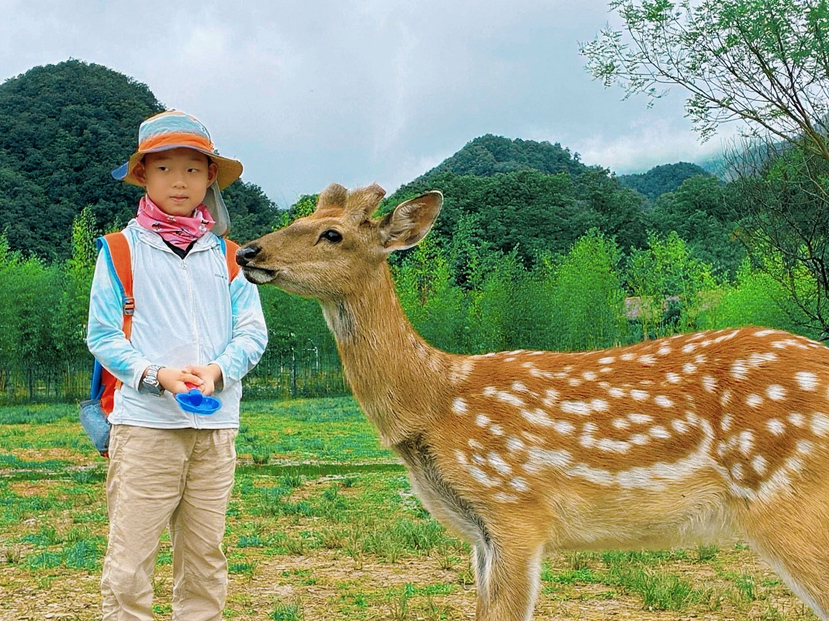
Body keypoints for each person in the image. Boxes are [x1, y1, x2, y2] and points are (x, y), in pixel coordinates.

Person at [86, 110, 268, 621]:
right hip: (146, 427)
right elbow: (102, 334)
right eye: (164, 168)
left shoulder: (230, 257)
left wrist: (216, 372)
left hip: (215, 426)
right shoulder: (120, 251)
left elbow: (252, 333)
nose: (179, 182)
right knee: (130, 562)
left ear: (210, 177)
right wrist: (155, 376)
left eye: (191, 169)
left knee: (205, 560)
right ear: (143, 174)